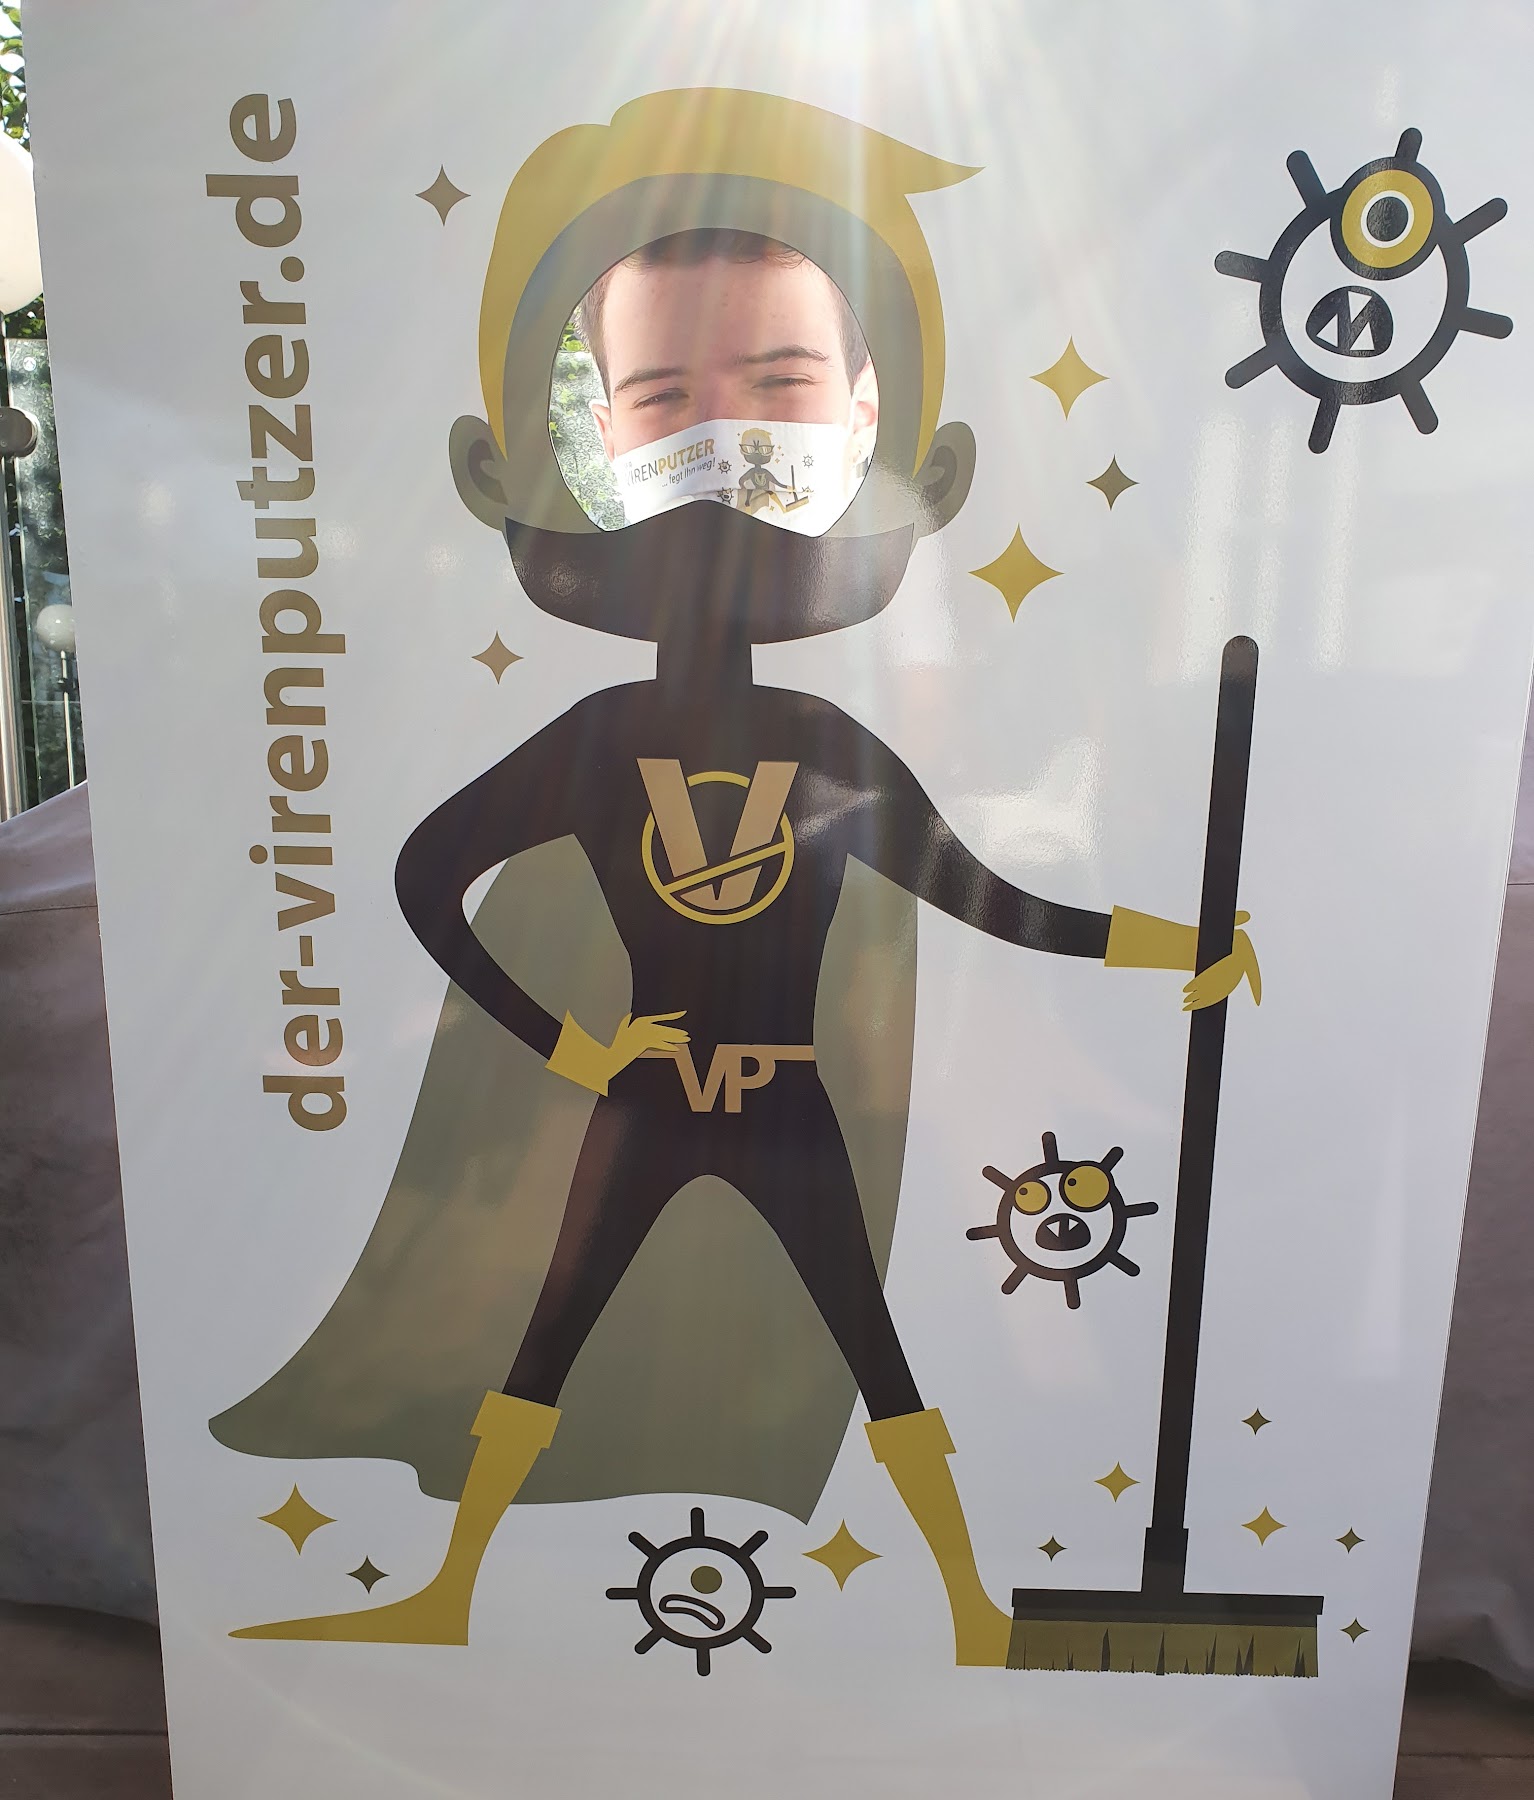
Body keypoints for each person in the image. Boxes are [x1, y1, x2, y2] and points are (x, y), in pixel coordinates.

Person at [227, 89, 1259, 1667]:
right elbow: (424, 877)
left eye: (777, 385)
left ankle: (971, 1612)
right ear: (588, 446)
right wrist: (576, 1046)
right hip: (649, 1098)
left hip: (784, 1106)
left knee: (875, 1355)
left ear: (870, 421)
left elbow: (991, 900)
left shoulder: (827, 742)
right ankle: (447, 1600)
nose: (720, 457)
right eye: (661, 398)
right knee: (547, 1342)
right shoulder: (600, 737)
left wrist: (1173, 942)